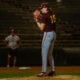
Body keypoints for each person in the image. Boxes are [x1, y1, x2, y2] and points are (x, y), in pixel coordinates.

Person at [33, 2, 56, 77]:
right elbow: (46, 17)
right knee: (50, 54)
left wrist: (36, 20)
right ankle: (53, 71)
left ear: (45, 8)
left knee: (44, 53)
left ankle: (43, 71)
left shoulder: (44, 16)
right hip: (53, 34)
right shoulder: (51, 12)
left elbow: (41, 28)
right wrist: (40, 15)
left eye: (42, 8)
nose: (41, 9)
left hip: (47, 34)